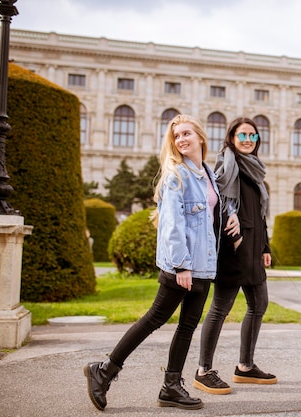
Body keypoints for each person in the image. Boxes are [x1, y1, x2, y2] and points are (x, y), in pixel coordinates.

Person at [83, 114, 239, 411]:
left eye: (186, 134)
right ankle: (104, 371)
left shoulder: (207, 174)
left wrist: (231, 213)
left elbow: (214, 206)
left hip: (204, 266)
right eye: (176, 136)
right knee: (154, 319)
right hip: (183, 266)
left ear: (200, 137)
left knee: (187, 326)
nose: (181, 140)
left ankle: (171, 386)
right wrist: (181, 266)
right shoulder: (176, 176)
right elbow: (172, 225)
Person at [193, 117, 276, 396]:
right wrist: (232, 217)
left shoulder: (255, 169)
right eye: (243, 135)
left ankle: (245, 366)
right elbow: (216, 201)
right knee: (220, 309)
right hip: (234, 247)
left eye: (253, 136)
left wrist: (266, 247)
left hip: (254, 248)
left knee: (259, 304)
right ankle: (203, 370)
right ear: (232, 137)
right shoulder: (227, 165)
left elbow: (260, 214)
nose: (248, 140)